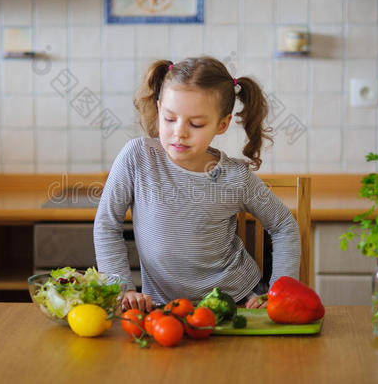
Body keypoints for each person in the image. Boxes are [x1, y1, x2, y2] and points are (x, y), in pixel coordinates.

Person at [93, 56, 300, 312]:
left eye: (196, 123)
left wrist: (278, 290)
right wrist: (121, 287)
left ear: (222, 124)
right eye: (170, 118)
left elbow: (283, 225)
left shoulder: (235, 177)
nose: (180, 132)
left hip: (236, 303)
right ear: (159, 109)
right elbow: (106, 224)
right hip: (162, 308)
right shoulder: (137, 157)